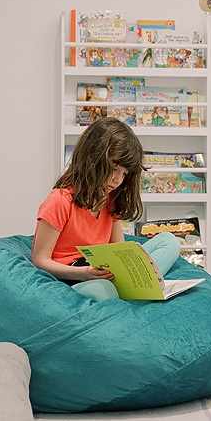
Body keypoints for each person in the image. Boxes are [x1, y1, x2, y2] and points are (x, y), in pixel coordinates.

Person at [31, 117, 180, 301]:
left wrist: (131, 267)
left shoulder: (110, 200)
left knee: (169, 241)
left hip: (102, 268)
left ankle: (135, 288)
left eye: (124, 173)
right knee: (104, 290)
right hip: (73, 277)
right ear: (92, 159)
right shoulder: (59, 201)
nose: (118, 180)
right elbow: (39, 260)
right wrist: (84, 273)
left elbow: (119, 249)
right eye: (114, 168)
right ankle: (133, 292)